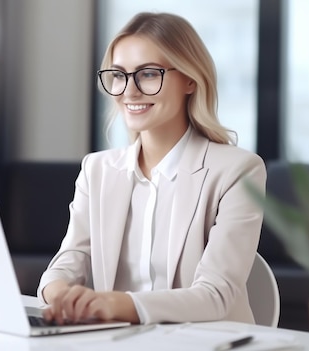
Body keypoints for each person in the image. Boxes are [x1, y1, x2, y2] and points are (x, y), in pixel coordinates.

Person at [37, 12, 266, 326]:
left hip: (208, 343)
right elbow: (66, 264)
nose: (129, 91)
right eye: (118, 75)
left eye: (147, 74)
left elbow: (216, 294)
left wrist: (111, 303)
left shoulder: (238, 171)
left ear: (190, 78)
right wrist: (62, 294)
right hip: (118, 342)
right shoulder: (97, 169)